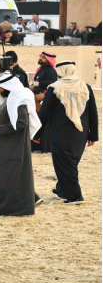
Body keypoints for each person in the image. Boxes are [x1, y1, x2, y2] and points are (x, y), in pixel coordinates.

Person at [38, 61, 99, 204]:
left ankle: (75, 196)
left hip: (61, 133)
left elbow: (44, 113)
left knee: (65, 164)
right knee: (69, 163)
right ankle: (62, 190)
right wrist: (93, 135)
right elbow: (93, 114)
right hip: (80, 133)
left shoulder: (54, 88)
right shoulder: (86, 87)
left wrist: (36, 133)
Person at [0, 73, 41, 217]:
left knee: (10, 178)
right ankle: (4, 208)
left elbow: (21, 123)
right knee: (7, 178)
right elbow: (5, 117)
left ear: (9, 87)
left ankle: (5, 209)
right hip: (7, 146)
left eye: (1, 87)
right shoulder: (12, 98)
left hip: (14, 147)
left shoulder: (19, 100)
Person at [31, 51, 58, 152]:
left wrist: (44, 95)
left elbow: (52, 86)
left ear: (48, 60)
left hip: (44, 100)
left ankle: (44, 147)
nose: (41, 58)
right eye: (41, 56)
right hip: (36, 99)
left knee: (43, 122)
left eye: (43, 57)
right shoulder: (41, 70)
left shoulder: (51, 71)